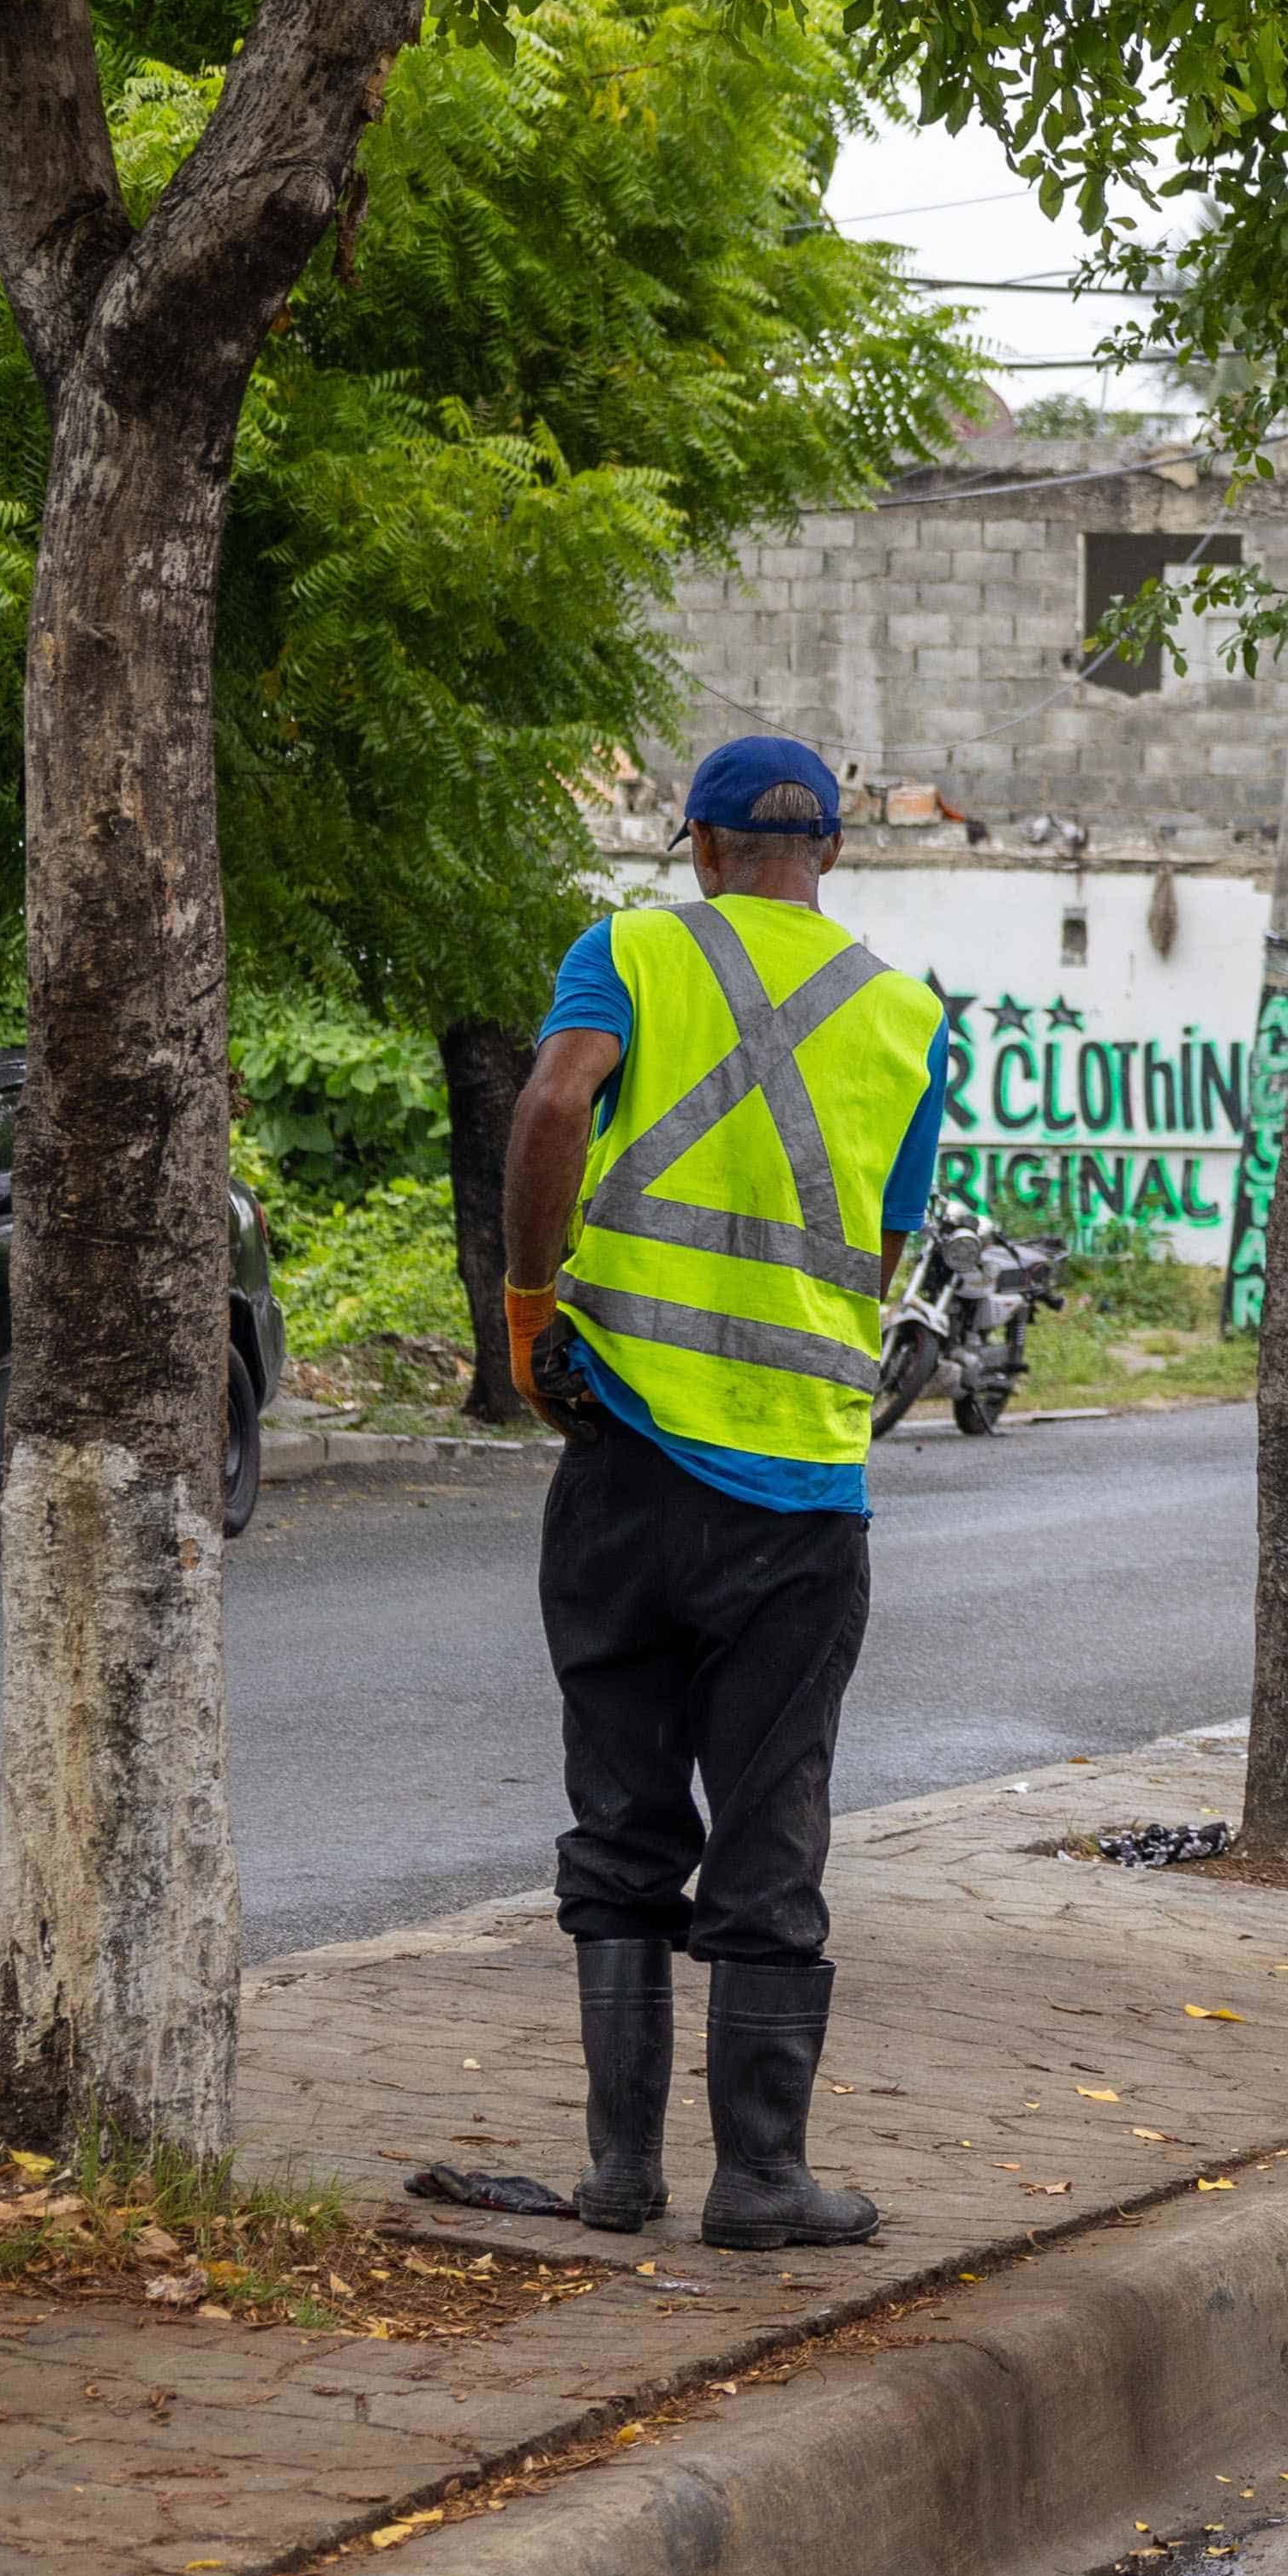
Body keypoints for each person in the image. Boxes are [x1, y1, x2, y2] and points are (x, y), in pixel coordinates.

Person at [500, 736, 953, 2250]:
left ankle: (620, 2173)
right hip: (796, 1489)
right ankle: (758, 2179)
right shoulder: (906, 1016)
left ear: (698, 844)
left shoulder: (628, 948)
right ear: (830, 850)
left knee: (620, 1811)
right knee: (771, 1825)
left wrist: (524, 1302)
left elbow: (556, 1105)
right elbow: (879, 1253)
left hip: (622, 1449)